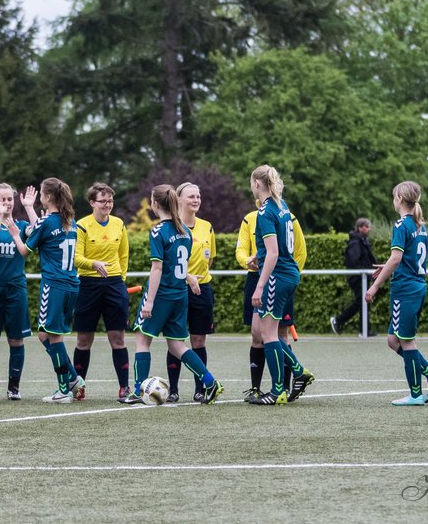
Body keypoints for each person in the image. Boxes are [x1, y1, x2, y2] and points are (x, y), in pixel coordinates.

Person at [127, 184, 223, 404]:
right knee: (177, 345)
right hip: (181, 294)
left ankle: (137, 391)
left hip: (162, 295)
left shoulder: (158, 231)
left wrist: (149, 301)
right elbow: (180, 265)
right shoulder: (186, 232)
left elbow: (158, 268)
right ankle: (210, 382)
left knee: (142, 340)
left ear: (155, 204)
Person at [365, 181, 428, 406]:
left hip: (405, 289)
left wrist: (375, 286)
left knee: (407, 341)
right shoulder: (419, 225)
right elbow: (405, 259)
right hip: (416, 285)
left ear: (399, 199)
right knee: (393, 340)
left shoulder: (402, 225)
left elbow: (397, 258)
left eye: (394, 197)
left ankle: (415, 394)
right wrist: (389, 266)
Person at [248, 165, 315, 406]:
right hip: (288, 273)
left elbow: (275, 252)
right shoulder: (281, 205)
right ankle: (298, 372)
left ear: (257, 183)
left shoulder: (265, 211)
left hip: (277, 276)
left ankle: (278, 390)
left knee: (268, 335)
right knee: (271, 333)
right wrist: (259, 255)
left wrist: (259, 286)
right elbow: (277, 246)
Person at [236, 197, 306, 403]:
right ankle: (271, 384)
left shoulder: (275, 213)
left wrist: (282, 278)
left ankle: (280, 388)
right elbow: (254, 249)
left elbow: (291, 251)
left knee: (273, 333)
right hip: (266, 275)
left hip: (275, 277)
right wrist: (250, 260)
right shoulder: (257, 217)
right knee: (259, 332)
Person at [22, 178, 85, 403]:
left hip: (54, 285)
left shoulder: (47, 222)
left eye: (41, 193)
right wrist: (30, 210)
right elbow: (43, 232)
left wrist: (12, 230)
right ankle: (74, 378)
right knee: (44, 334)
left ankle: (63, 390)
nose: (39, 196)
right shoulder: (70, 221)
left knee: (54, 337)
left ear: (48, 197)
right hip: (71, 285)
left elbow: (24, 250)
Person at [72, 183, 132, 402]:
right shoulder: (81, 226)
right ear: (92, 203)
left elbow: (124, 255)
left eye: (110, 201)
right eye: (103, 201)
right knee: (84, 339)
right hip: (88, 285)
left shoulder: (119, 224)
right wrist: (92, 263)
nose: (107, 205)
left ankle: (124, 388)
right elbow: (75, 258)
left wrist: (121, 280)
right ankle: (78, 386)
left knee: (118, 338)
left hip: (114, 284)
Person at [0, 183, 32, 400]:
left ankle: (14, 387)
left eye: (10, 199)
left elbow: (38, 232)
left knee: (16, 340)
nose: (7, 203)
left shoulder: (21, 225)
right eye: (2, 199)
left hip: (15, 288)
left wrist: (29, 207)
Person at [169, 181, 216, 402]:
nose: (196, 200)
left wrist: (198, 278)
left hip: (202, 290)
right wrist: (187, 276)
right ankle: (173, 390)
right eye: (191, 197)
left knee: (198, 340)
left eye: (198, 196)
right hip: (177, 289)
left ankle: (201, 388)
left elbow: (211, 258)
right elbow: (167, 262)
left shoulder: (207, 226)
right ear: (178, 200)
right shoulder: (171, 226)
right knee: (176, 340)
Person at [331, 217, 378, 335]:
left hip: (363, 276)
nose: (369, 229)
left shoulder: (362, 240)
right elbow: (353, 261)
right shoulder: (355, 242)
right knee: (361, 302)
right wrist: (364, 272)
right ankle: (339, 320)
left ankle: (364, 330)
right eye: (367, 227)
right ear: (360, 227)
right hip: (358, 277)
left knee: (363, 302)